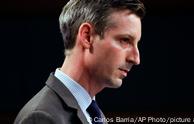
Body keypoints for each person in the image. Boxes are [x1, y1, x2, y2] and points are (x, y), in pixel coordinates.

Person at [14, 0, 145, 124]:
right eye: (125, 40)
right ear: (87, 36)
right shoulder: (41, 117)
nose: (136, 59)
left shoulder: (93, 113)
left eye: (136, 43)